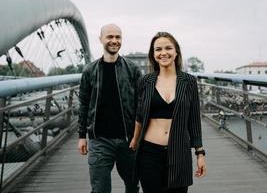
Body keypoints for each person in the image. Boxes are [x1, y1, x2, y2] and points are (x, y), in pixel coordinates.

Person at [129, 31, 206, 193]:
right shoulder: (145, 81)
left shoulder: (189, 81)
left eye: (168, 48)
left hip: (179, 151)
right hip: (149, 152)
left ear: (176, 52)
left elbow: (194, 120)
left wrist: (200, 153)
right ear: (153, 54)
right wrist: (134, 141)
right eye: (158, 49)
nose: (163, 53)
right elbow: (139, 115)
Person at [77, 24, 142, 193]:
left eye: (118, 37)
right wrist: (81, 136)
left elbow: (140, 105)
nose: (114, 41)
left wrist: (138, 136)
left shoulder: (132, 69)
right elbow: (83, 104)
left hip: (128, 140)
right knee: (99, 189)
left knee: (133, 184)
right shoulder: (89, 70)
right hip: (99, 140)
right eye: (110, 37)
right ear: (101, 39)